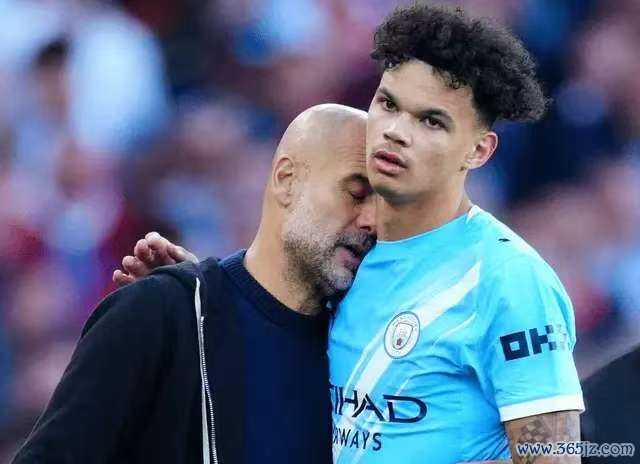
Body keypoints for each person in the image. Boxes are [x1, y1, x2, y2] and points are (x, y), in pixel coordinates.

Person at [119, 4, 584, 463]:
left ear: (478, 151)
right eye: (388, 104)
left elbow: (556, 458)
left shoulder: (509, 279)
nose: (396, 132)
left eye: (431, 121)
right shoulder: (345, 254)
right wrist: (196, 300)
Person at [12, 104, 376, 464]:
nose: (372, 221)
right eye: (357, 194)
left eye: (385, 208)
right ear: (286, 179)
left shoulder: (367, 355)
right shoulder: (161, 314)